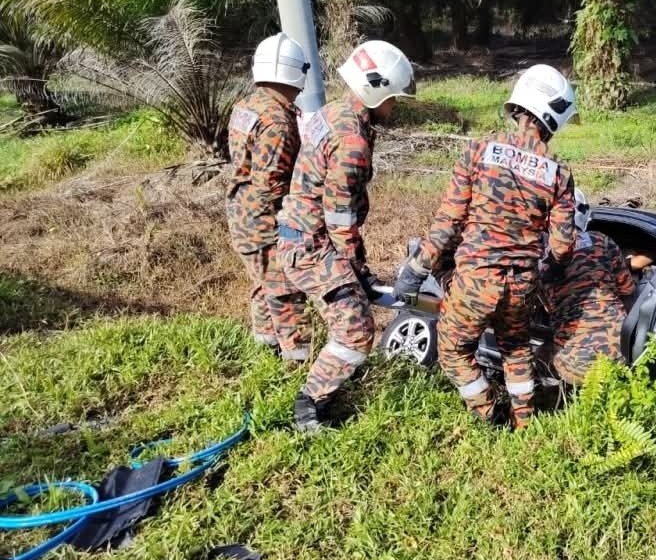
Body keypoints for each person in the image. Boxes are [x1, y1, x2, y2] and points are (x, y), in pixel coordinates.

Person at [394, 65, 578, 430]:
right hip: (522, 285)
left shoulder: (479, 151)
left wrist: (415, 270)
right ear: (553, 118)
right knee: (516, 349)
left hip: (476, 280)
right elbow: (562, 244)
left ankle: (490, 414)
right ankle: (525, 423)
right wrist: (545, 272)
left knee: (452, 350)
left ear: (518, 106)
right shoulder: (558, 173)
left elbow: (448, 223)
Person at [278, 40, 415, 430]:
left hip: (303, 234)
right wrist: (355, 268)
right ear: (375, 91)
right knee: (357, 328)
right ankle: (309, 406)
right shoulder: (352, 141)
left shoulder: (332, 112)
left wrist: (361, 273)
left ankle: (330, 378)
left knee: (355, 303)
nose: (394, 106)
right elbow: (339, 217)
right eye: (392, 98)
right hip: (311, 244)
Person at [226, 32, 311, 364]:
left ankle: (266, 349)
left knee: (264, 284)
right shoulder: (277, 121)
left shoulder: (247, 106)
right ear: (296, 72)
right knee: (286, 289)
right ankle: (297, 361)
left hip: (241, 212)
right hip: (265, 221)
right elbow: (270, 185)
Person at [538, 188, 637, 387]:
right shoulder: (603, 241)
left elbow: (548, 309)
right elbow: (628, 290)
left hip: (575, 366)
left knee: (538, 355)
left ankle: (557, 402)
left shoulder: (540, 258)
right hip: (621, 355)